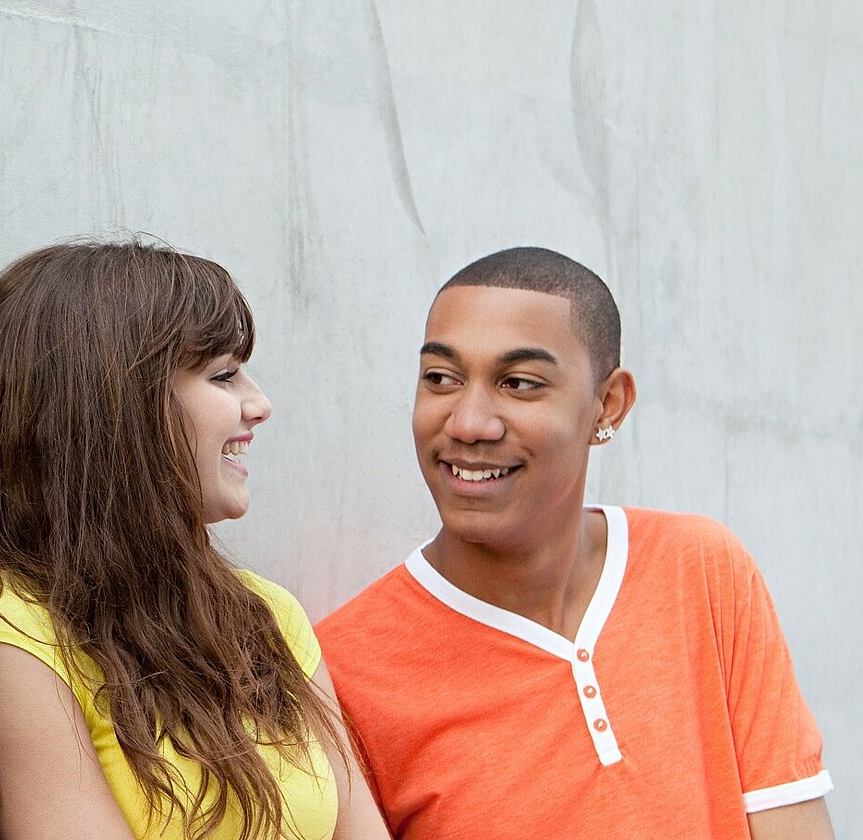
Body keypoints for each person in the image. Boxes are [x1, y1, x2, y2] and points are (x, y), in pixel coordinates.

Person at [316, 247, 833, 839]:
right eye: (441, 379)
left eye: (519, 384)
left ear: (606, 405)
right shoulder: (341, 673)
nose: (468, 422)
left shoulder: (703, 570)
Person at [0, 241, 390, 840]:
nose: (260, 405)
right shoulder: (5, 631)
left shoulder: (267, 615)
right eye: (224, 376)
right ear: (118, 408)